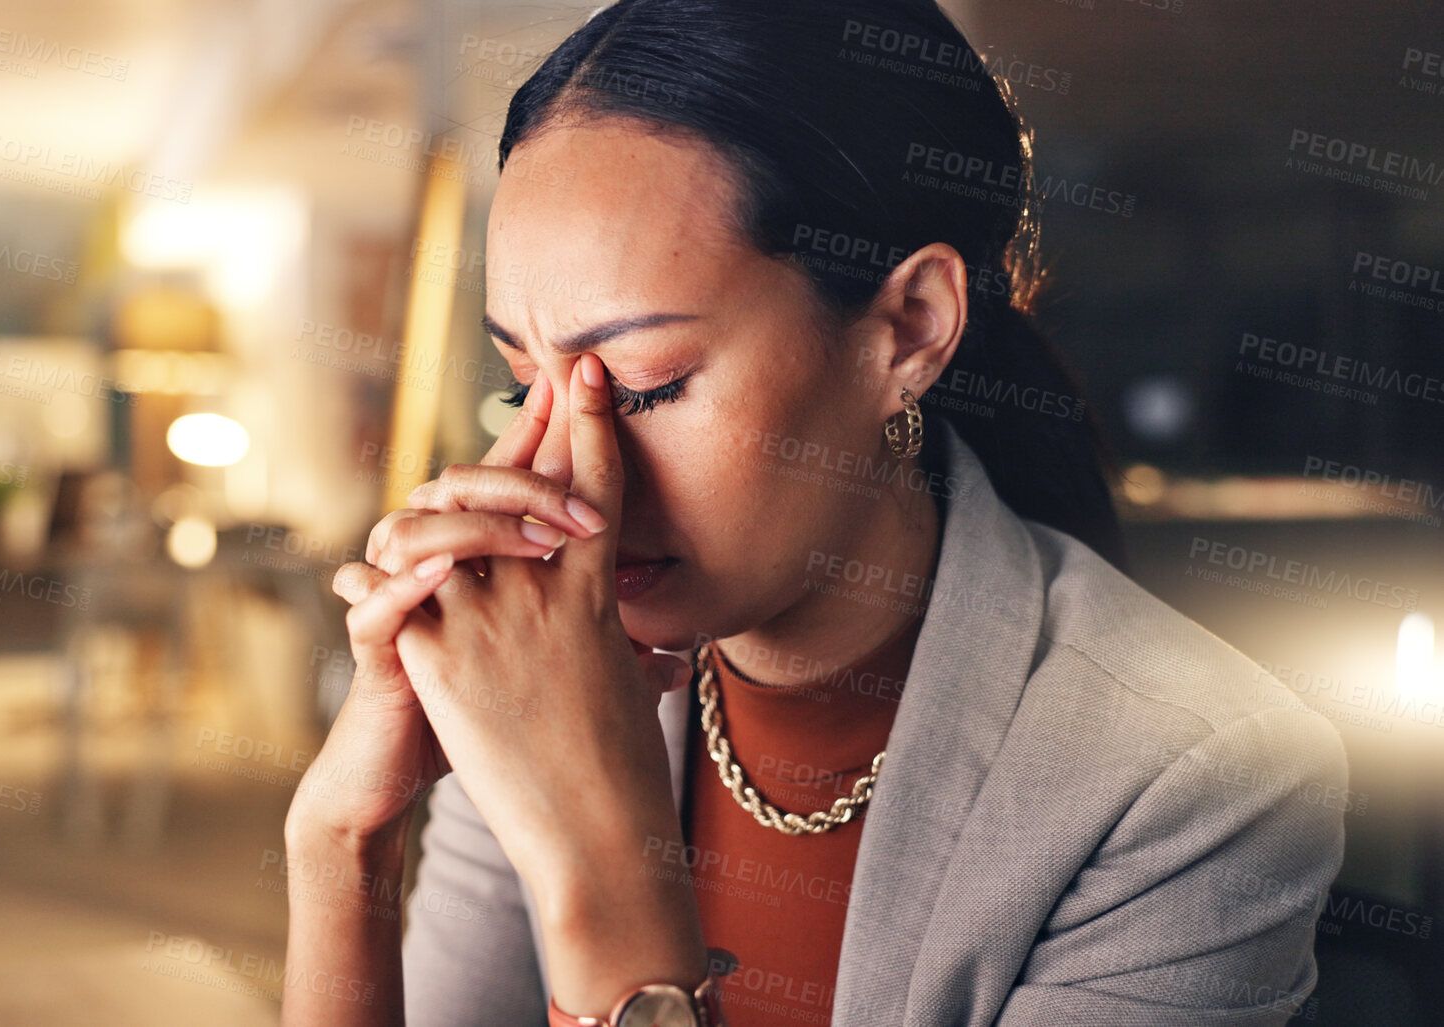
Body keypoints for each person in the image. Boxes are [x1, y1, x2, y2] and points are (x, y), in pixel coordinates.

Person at [282, 1, 1347, 1024]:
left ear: (911, 329)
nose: (566, 475)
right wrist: (342, 841)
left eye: (644, 386)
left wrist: (605, 884)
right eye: (524, 386)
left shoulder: (1196, 777)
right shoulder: (553, 662)